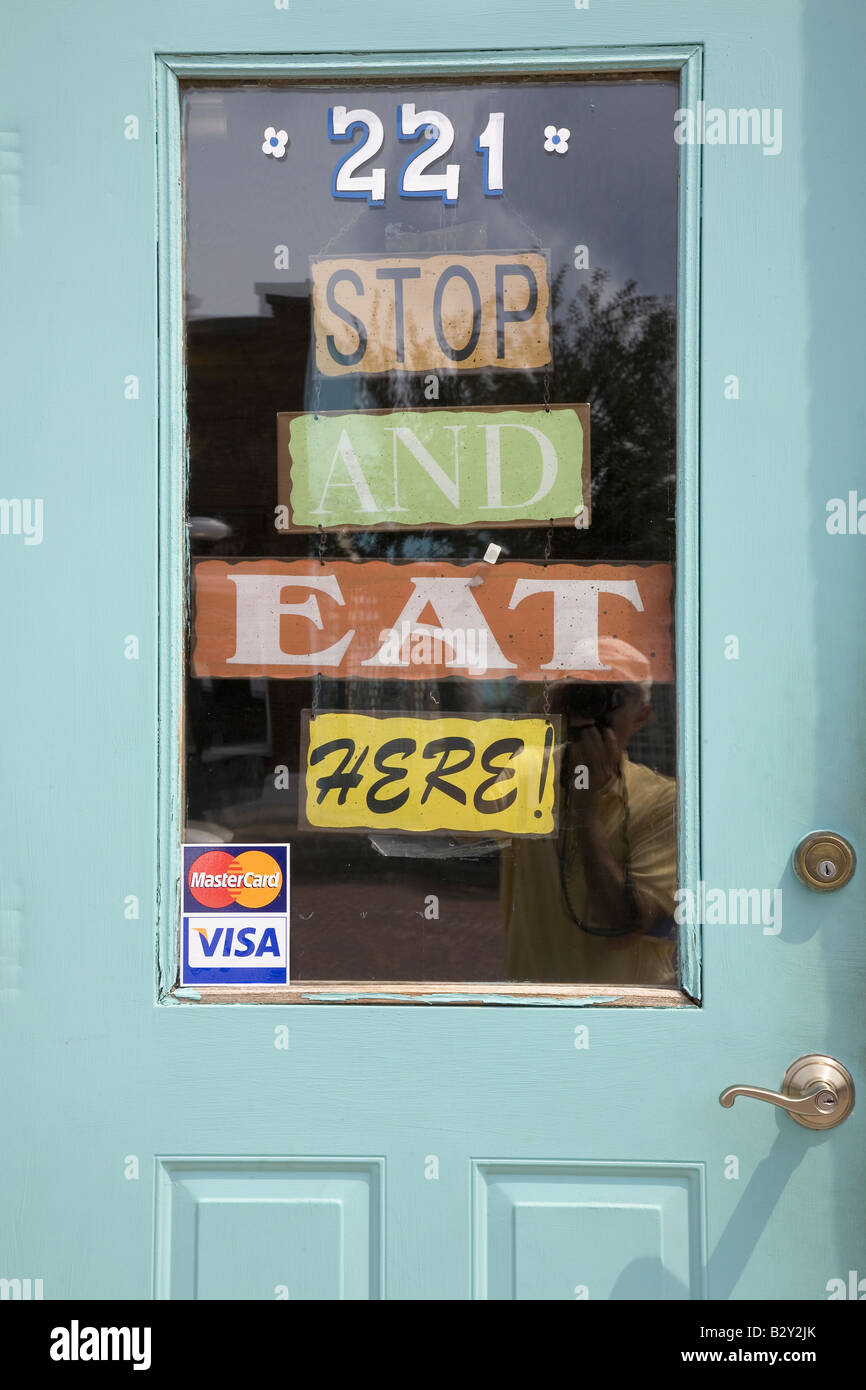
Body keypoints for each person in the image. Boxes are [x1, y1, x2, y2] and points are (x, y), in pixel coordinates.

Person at [500, 639, 677, 986]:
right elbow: (452, 833)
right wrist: (533, 721)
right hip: (531, 1005)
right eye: (579, 694)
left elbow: (619, 925)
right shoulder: (522, 773)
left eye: (607, 697)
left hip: (628, 1010)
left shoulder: (663, 802)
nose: (590, 710)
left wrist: (584, 804)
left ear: (641, 715)